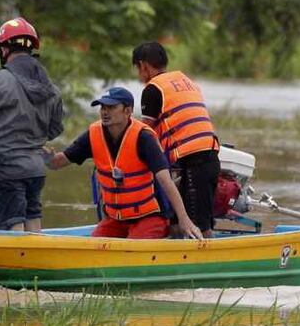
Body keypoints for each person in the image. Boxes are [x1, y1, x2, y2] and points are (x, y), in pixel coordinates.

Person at [45, 87, 203, 240]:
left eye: (111, 107)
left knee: (131, 249)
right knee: (94, 246)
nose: (104, 112)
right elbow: (57, 163)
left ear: (127, 111)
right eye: (102, 107)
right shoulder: (93, 135)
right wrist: (46, 158)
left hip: (149, 218)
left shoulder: (144, 138)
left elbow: (165, 180)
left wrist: (184, 219)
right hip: (115, 219)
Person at [0, 17, 63, 232]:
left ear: (4, 49)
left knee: (11, 224)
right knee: (32, 218)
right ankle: (37, 261)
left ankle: (17, 263)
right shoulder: (51, 88)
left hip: (4, 168)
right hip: (36, 169)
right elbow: (54, 129)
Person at [132, 41, 222, 238]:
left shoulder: (153, 89)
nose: (139, 75)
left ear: (144, 66)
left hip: (194, 160)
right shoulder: (186, 81)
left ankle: (209, 263)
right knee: (177, 220)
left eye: (137, 69)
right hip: (209, 154)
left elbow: (144, 133)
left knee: (198, 226)